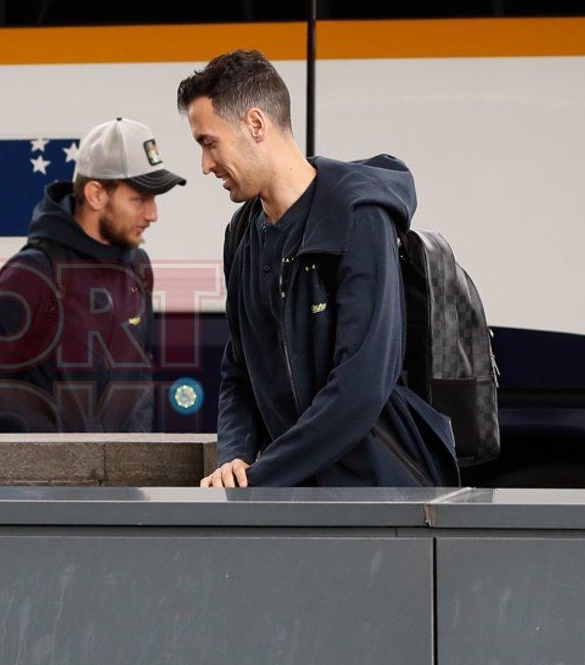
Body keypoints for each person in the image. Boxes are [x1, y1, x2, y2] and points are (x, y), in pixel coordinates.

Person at [178, 50, 458, 488]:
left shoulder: (357, 218)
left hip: (378, 492)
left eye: (209, 143)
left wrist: (261, 479)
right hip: (294, 492)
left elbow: (360, 389)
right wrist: (233, 454)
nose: (205, 165)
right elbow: (239, 369)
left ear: (255, 125)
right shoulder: (242, 234)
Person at [0, 118, 185, 432]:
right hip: (53, 478)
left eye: (154, 199)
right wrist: (55, 445)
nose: (152, 214)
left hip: (122, 477)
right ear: (97, 195)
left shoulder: (138, 268)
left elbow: (138, 377)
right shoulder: (35, 272)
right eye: (139, 199)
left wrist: (134, 455)